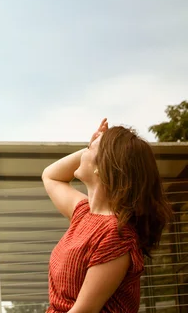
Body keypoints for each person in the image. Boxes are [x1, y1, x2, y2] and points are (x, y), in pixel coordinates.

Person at [42, 118, 173, 313]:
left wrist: (102, 149)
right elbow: (50, 175)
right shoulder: (83, 214)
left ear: (101, 167)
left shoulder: (116, 235)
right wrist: (95, 146)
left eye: (89, 149)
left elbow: (84, 311)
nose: (84, 151)